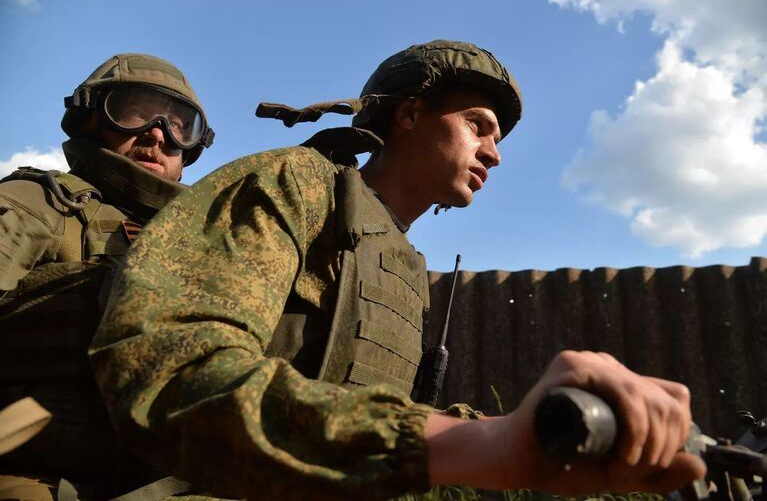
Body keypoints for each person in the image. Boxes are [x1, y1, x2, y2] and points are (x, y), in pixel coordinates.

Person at [91, 40, 705, 500]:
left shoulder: (401, 262)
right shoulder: (294, 184)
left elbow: (373, 412)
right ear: (409, 116)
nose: (494, 152)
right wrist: (468, 445)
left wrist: (536, 431)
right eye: (477, 125)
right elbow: (167, 370)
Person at [0, 53, 214, 499]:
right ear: (91, 119)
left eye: (179, 125)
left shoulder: (211, 241)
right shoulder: (41, 203)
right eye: (135, 111)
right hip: (43, 473)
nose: (157, 132)